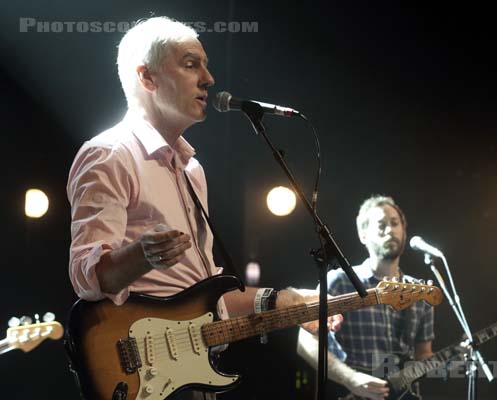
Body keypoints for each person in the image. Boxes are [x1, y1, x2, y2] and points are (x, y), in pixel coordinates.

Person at [67, 17, 340, 400]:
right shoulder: (110, 155)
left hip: (192, 379)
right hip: (141, 381)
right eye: (191, 64)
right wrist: (141, 256)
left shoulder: (192, 170)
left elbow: (210, 297)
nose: (209, 79)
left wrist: (283, 299)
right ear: (147, 78)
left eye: (206, 65)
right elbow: (86, 276)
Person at [297, 195, 435, 400]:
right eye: (381, 225)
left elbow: (423, 354)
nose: (389, 230)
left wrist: (454, 358)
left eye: (395, 223)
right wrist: (351, 379)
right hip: (347, 393)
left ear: (404, 232)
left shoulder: (420, 291)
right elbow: (306, 342)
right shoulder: (339, 281)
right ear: (363, 235)